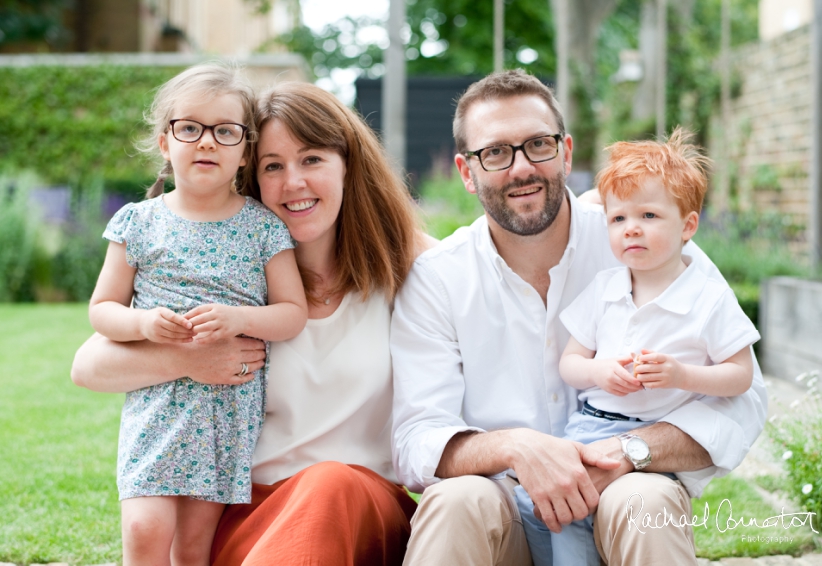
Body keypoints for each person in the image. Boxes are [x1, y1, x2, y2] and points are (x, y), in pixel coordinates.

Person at [390, 69, 768, 566]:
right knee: (453, 500)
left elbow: (744, 401)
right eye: (496, 153)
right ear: (466, 172)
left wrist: (628, 453)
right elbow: (417, 438)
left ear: (566, 152)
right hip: (503, 510)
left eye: (538, 145)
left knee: (646, 499)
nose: (521, 168)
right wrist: (519, 449)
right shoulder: (438, 279)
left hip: (622, 494)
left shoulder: (648, 242)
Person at [72, 80, 424, 565]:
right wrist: (189, 356)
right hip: (246, 508)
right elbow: (86, 366)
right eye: (273, 166)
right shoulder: (233, 274)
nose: (293, 182)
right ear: (252, 175)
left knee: (330, 483)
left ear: (349, 165)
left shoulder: (407, 267)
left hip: (359, 503)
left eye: (313, 159)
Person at [87, 62, 309, 566]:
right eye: (190, 128)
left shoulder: (263, 228)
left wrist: (239, 318)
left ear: (245, 150)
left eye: (225, 131)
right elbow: (102, 310)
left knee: (193, 547)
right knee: (145, 529)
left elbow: (292, 313)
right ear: (166, 142)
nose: (206, 142)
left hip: (224, 413)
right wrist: (143, 325)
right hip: (156, 407)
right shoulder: (138, 223)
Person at [514, 128, 761, 566]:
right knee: (550, 509)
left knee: (610, 507)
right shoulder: (604, 288)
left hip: (653, 443)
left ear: (687, 226)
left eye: (649, 216)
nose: (632, 230)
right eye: (618, 219)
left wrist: (684, 375)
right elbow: (571, 362)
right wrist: (599, 371)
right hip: (589, 428)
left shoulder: (706, 296)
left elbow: (740, 376)